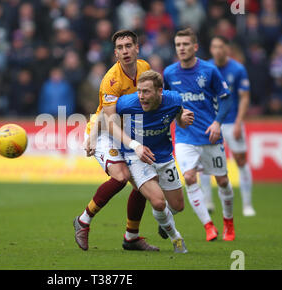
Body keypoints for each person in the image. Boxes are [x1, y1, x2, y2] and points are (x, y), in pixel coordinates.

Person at [74, 30, 156, 251]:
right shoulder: (110, 80)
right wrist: (91, 138)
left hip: (128, 131)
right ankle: (83, 220)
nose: (125, 51)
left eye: (129, 45)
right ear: (115, 53)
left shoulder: (145, 68)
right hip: (104, 132)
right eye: (120, 48)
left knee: (141, 184)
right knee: (121, 177)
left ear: (137, 48)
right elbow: (107, 119)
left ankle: (131, 237)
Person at [163, 28, 235, 242]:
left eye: (186, 44)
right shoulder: (169, 73)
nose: (181, 48)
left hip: (209, 135)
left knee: (222, 181)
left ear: (195, 47)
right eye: (178, 45)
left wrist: (217, 123)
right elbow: (166, 101)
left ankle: (228, 222)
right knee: (189, 177)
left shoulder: (209, 70)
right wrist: (176, 117)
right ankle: (208, 226)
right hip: (185, 137)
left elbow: (226, 98)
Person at [115, 70, 194, 253]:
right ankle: (176, 238)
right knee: (159, 203)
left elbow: (178, 116)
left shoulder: (174, 99)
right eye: (140, 91)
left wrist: (181, 119)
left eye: (147, 92)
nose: (141, 97)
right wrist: (92, 138)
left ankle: (163, 220)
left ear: (160, 91)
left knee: (177, 206)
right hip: (137, 157)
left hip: (164, 157)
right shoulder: (127, 103)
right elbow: (104, 116)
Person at [199, 36, 256, 217]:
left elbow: (244, 97)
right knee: (205, 163)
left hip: (232, 122)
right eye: (214, 46)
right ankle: (208, 201)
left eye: (220, 46)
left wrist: (239, 122)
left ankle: (247, 204)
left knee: (240, 160)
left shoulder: (237, 69)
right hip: (211, 122)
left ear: (227, 49)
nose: (217, 50)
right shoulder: (205, 68)